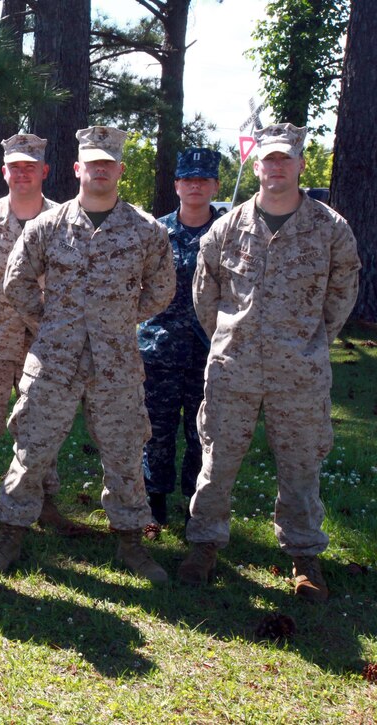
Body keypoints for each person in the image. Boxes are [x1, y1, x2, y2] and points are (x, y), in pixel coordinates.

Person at [0, 126, 174, 583]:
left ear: (120, 170)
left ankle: (131, 541)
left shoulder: (146, 231)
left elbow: (162, 289)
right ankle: (11, 533)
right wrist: (49, 323)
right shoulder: (47, 225)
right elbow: (17, 282)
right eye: (93, 162)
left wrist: (120, 319)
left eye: (109, 163)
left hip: (117, 364)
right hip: (54, 360)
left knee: (125, 452)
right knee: (31, 448)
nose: (100, 169)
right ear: (77, 168)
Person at [178, 123, 360, 602]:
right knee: (216, 463)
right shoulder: (227, 227)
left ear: (300, 165)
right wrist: (229, 334)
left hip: (299, 373)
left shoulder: (329, 228)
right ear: (256, 166)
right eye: (268, 159)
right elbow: (206, 292)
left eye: (285, 159)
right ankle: (204, 545)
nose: (276, 167)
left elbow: (342, 293)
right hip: (232, 369)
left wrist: (308, 340)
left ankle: (304, 557)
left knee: (301, 467)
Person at [0, 133, 81, 536]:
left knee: (42, 423)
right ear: (4, 171)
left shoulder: (66, 221)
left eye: (30, 167)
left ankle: (43, 498)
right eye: (15, 167)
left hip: (44, 342)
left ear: (44, 171)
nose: (22, 173)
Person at [138, 148, 224, 529]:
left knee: (201, 434)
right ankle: (153, 504)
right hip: (160, 350)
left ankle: (195, 505)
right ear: (176, 185)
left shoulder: (229, 233)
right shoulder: (156, 232)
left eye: (203, 180)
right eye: (188, 179)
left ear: (215, 186)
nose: (195, 185)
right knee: (156, 431)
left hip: (211, 352)